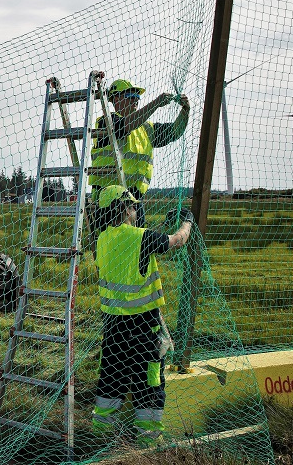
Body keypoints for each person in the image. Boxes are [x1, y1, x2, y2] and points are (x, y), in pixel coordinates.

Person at [91, 185, 193, 447]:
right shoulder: (141, 237)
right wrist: (187, 222)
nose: (136, 211)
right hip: (143, 325)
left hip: (113, 325)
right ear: (125, 209)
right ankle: (148, 442)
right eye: (133, 207)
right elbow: (177, 241)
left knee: (111, 377)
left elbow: (134, 243)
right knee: (148, 381)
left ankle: (100, 435)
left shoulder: (102, 239)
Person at [88, 78, 191, 233]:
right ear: (116, 98)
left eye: (137, 97)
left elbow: (175, 132)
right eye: (130, 96)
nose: (135, 100)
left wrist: (185, 110)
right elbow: (125, 126)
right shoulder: (105, 121)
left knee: (138, 245)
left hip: (134, 201)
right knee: (113, 244)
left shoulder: (146, 128)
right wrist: (156, 103)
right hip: (108, 202)